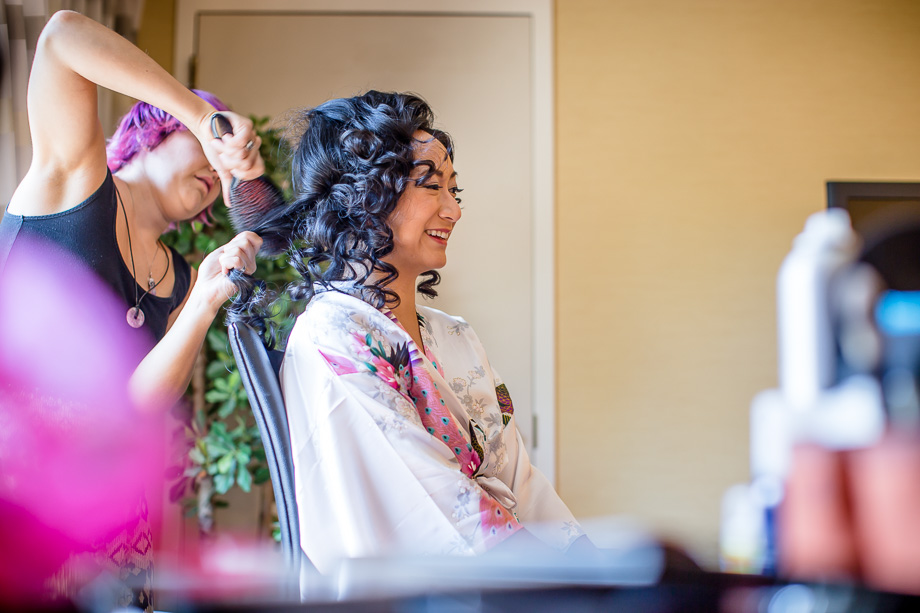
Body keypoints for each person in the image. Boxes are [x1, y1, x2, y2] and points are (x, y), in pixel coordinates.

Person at [232, 91, 586, 574]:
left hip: (512, 575)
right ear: (363, 195)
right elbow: (430, 509)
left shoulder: (454, 336)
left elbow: (522, 482)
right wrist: (558, 582)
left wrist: (595, 569)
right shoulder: (333, 332)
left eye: (453, 191)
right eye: (430, 186)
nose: (453, 211)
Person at [0, 10, 263, 610]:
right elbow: (61, 37)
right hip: (17, 494)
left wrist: (204, 296)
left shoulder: (178, 278)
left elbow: (137, 402)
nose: (215, 160)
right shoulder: (71, 181)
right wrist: (206, 116)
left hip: (109, 539)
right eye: (200, 145)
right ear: (153, 129)